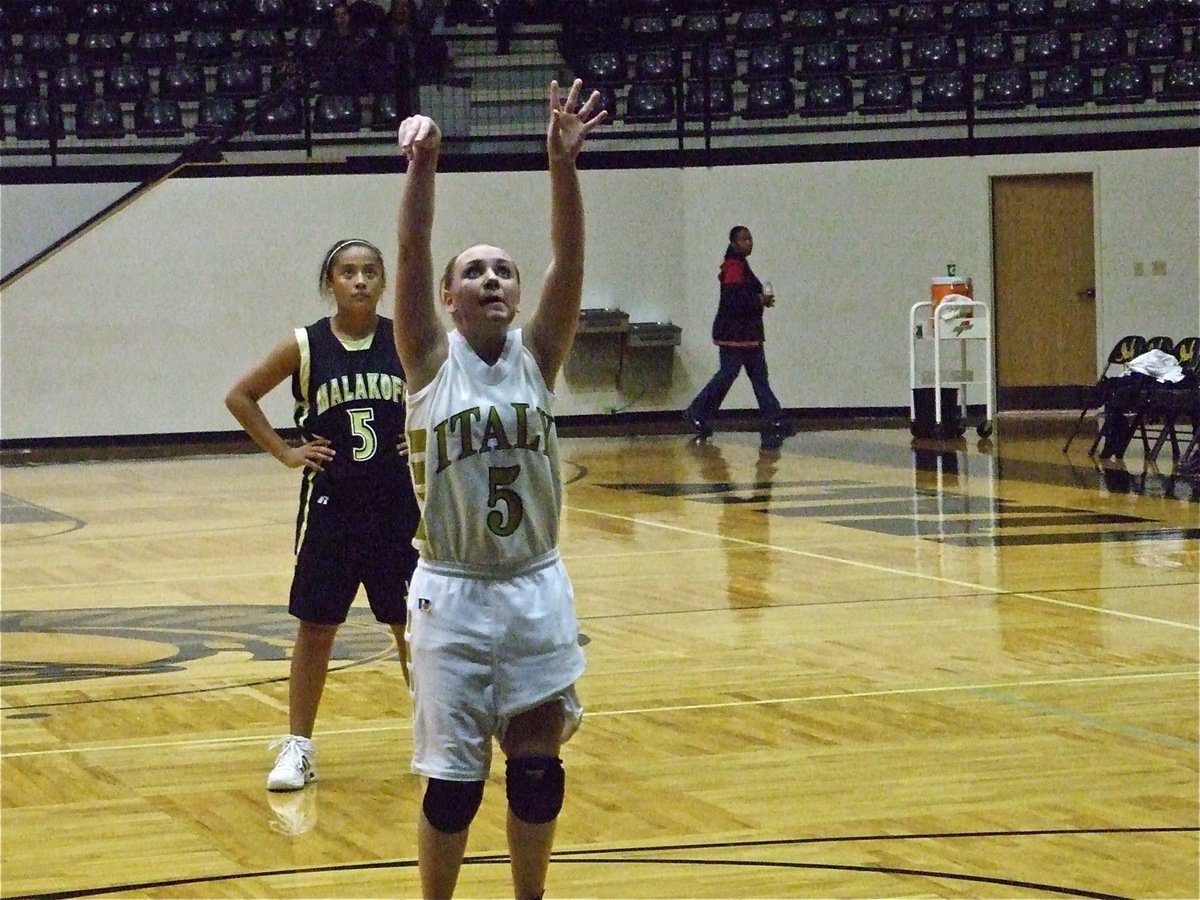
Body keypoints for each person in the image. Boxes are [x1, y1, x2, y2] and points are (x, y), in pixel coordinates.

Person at [393, 78, 606, 900]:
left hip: (534, 586)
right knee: (453, 785)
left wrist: (562, 165)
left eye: (503, 271)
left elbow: (572, 261)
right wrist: (423, 169)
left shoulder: (537, 357)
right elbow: (411, 257)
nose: (491, 279)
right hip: (452, 591)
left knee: (538, 769)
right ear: (449, 300)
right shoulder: (427, 363)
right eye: (474, 272)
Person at [225, 238, 420, 792]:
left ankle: (436, 739)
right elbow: (240, 396)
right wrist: (286, 452)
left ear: (384, 282)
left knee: (414, 628)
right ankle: (299, 746)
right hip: (332, 507)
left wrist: (428, 439)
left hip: (397, 507)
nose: (359, 281)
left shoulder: (406, 338)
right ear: (329, 282)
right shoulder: (305, 344)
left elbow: (451, 392)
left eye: (370, 272)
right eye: (348, 272)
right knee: (316, 628)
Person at [684, 225, 795, 450]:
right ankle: (697, 411)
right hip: (735, 334)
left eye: (750, 238)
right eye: (744, 240)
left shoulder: (740, 264)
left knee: (757, 375)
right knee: (729, 374)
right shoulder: (734, 267)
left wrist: (759, 301)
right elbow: (734, 301)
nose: (749, 243)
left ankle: (773, 417)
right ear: (734, 243)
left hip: (747, 334)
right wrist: (758, 301)